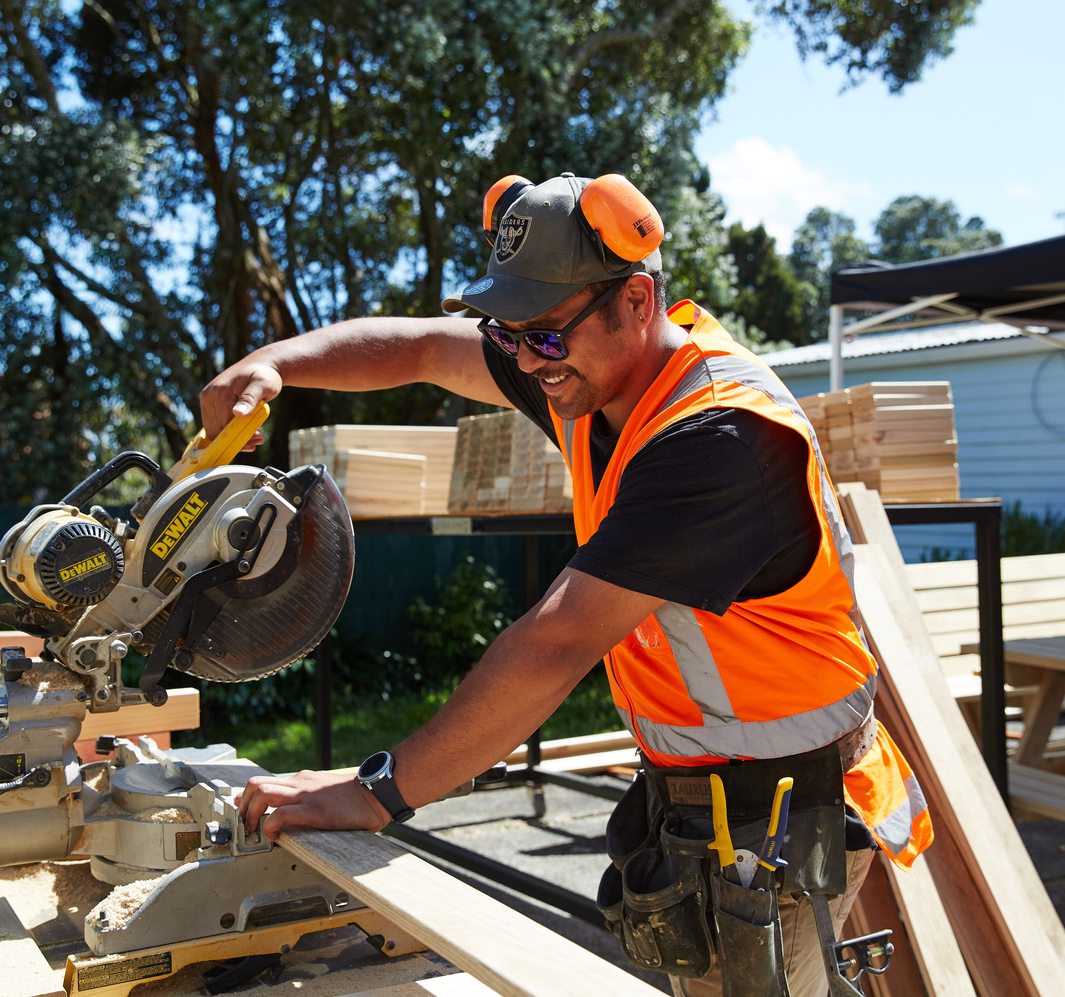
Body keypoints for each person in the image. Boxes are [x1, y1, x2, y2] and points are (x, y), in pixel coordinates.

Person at [200, 171, 932, 997]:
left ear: (636, 299)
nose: (521, 359)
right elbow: (422, 349)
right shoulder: (585, 373)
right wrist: (274, 364)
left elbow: (557, 640)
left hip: (783, 808)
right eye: (506, 334)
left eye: (542, 335)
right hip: (709, 790)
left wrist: (375, 792)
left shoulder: (717, 440)